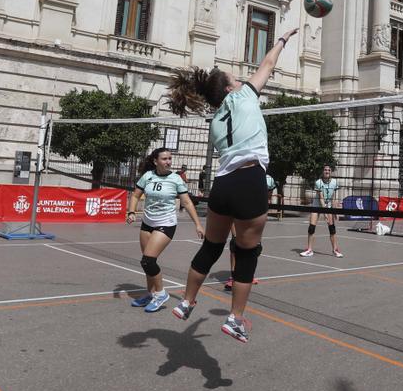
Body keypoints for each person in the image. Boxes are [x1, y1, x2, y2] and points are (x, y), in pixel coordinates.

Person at [166, 26, 299, 343]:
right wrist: (283, 39)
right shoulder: (242, 95)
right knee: (248, 253)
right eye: (235, 79)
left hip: (222, 184)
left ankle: (186, 301)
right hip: (249, 179)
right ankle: (236, 319)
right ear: (229, 89)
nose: (241, 81)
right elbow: (267, 65)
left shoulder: (214, 122)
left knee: (211, 247)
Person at [126, 147, 204, 312]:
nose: (168, 161)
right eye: (164, 159)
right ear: (156, 161)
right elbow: (135, 196)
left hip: (166, 223)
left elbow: (188, 203)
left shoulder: (176, 179)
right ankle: (150, 294)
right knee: (148, 263)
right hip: (147, 223)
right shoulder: (147, 176)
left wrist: (197, 224)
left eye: (170, 158)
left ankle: (160, 294)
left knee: (148, 260)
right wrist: (131, 212)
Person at [301, 165, 342, 258]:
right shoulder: (318, 182)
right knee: (311, 227)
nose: (327, 171)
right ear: (323, 172)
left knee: (332, 228)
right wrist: (325, 213)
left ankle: (335, 250)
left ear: (331, 172)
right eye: (325, 170)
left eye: (328, 170)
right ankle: (309, 250)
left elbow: (334, 198)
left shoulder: (334, 182)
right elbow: (321, 198)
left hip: (329, 206)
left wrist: (335, 212)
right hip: (317, 205)